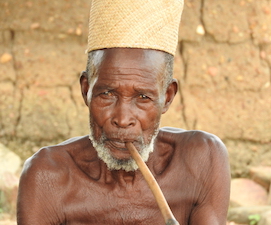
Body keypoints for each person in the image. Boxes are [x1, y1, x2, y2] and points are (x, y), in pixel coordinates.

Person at [17, 0, 231, 224]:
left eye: (143, 98)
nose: (122, 119)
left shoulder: (200, 160)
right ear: (86, 90)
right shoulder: (48, 177)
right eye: (107, 94)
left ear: (167, 97)